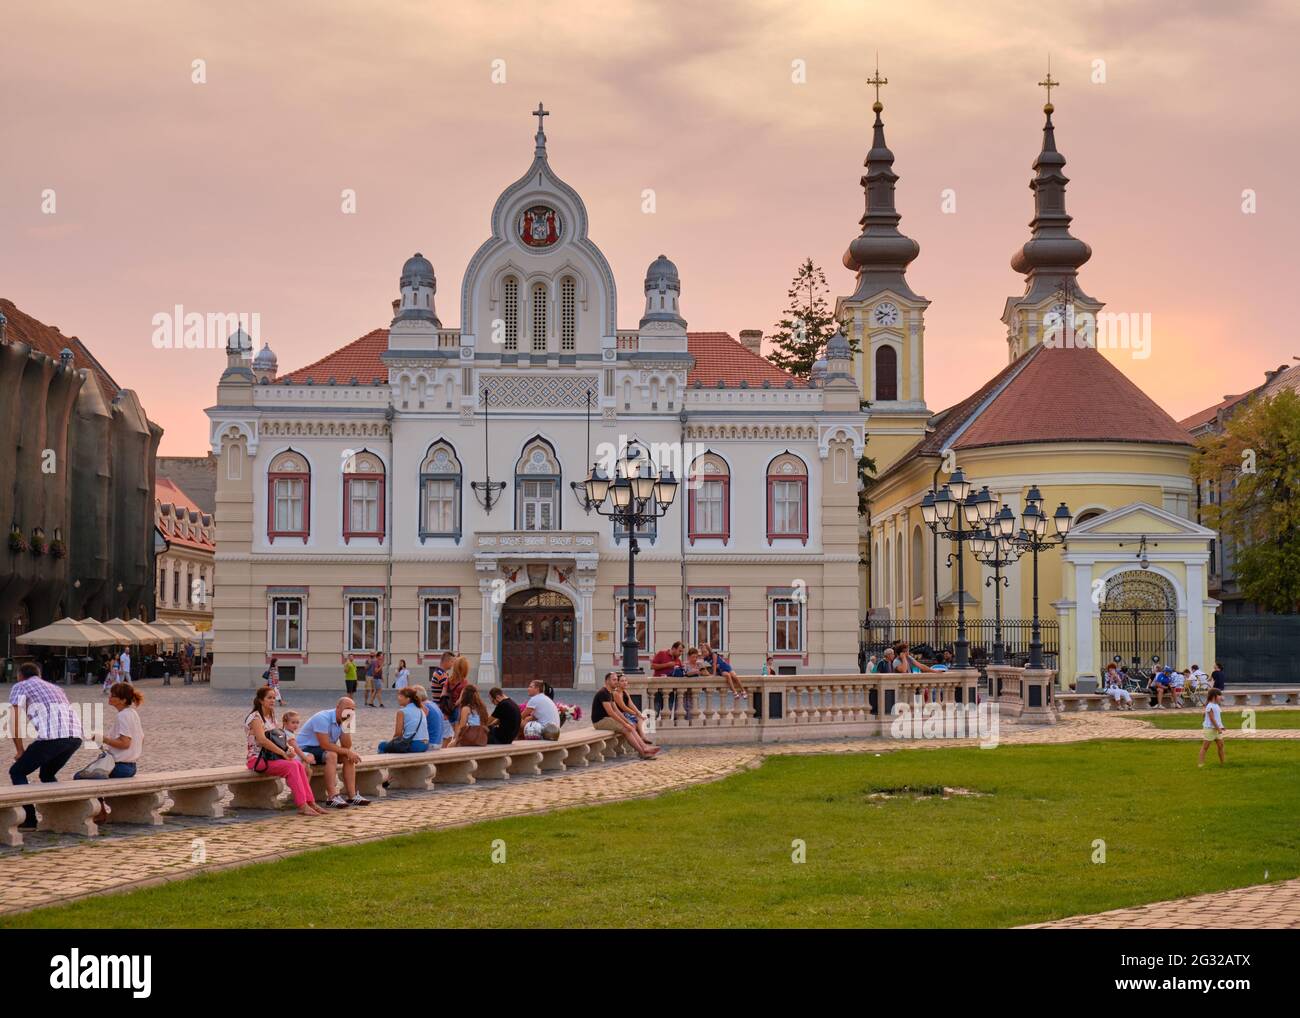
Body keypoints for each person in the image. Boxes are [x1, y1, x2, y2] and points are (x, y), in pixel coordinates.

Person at [8, 663, 85, 831]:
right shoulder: (55, 687)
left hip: (52, 737)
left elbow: (14, 721)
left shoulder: (21, 686)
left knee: (17, 771)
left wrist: (20, 750)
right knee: (47, 774)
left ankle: (29, 819)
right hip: (75, 736)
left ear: (20, 675)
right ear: (39, 675)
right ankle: (63, 814)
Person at [244, 686, 324, 817]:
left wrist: (289, 749)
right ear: (260, 700)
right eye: (269, 698)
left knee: (297, 764)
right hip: (257, 759)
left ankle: (311, 802)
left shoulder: (271, 717)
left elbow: (279, 738)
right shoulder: (255, 718)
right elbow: (263, 740)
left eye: (274, 698)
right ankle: (302, 805)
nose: (272, 700)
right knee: (292, 766)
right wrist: (282, 753)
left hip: (272, 758)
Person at [75, 681, 145, 823]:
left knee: (80, 777)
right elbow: (141, 738)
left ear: (123, 700)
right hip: (131, 766)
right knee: (91, 775)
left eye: (113, 695)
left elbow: (125, 743)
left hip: (120, 766)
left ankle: (99, 812)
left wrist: (103, 739)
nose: (109, 697)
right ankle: (100, 811)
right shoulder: (132, 713)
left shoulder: (123, 716)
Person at [297, 698, 370, 808]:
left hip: (324, 749)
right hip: (306, 749)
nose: (349, 712)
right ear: (337, 708)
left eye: (352, 709)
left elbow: (346, 745)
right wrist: (347, 751)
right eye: (347, 709)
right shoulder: (322, 717)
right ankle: (332, 797)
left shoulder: (347, 718)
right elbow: (324, 745)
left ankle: (352, 796)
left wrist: (347, 726)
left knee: (347, 757)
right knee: (332, 755)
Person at [592, 672, 660, 759]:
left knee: (630, 726)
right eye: (614, 680)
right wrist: (625, 724)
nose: (616, 682)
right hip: (600, 721)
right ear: (607, 681)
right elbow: (611, 713)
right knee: (627, 729)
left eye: (616, 679)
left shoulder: (610, 692)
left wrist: (627, 721)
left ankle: (644, 748)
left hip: (607, 719)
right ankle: (643, 752)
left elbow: (616, 710)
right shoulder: (603, 693)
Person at [378, 686, 430, 753]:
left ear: (408, 699)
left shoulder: (402, 712)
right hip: (425, 745)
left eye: (400, 696)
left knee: (382, 745)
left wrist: (391, 744)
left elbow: (398, 734)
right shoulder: (421, 710)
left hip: (414, 745)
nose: (398, 698)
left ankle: (384, 763)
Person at [613, 673, 652, 743]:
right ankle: (640, 741)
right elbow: (624, 707)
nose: (625, 683)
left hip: (626, 714)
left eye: (625, 681)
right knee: (633, 725)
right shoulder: (616, 693)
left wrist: (639, 714)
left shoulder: (625, 692)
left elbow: (631, 704)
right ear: (618, 683)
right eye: (622, 681)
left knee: (640, 718)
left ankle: (643, 737)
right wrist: (635, 714)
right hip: (620, 715)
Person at [1198, 687, 1227, 767]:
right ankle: (1201, 763)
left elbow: (1218, 718)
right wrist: (1218, 728)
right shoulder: (1210, 706)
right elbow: (1212, 719)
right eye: (1219, 695)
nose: (1221, 697)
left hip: (1217, 729)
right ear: (1214, 696)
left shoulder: (1216, 705)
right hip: (1210, 730)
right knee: (1205, 747)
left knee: (1221, 746)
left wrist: (1221, 726)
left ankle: (1223, 763)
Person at [441, 655, 469, 722]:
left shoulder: (448, 680)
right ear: (465, 669)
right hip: (457, 710)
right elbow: (459, 701)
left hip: (447, 710)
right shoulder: (464, 682)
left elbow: (443, 695)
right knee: (456, 729)